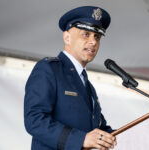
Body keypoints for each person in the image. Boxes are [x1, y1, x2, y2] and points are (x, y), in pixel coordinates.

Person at [24, 6, 117, 150]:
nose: (93, 42)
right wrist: (81, 139)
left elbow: (100, 129)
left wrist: (133, 135)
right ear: (67, 37)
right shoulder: (48, 69)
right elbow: (35, 120)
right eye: (85, 34)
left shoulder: (87, 85)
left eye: (97, 37)